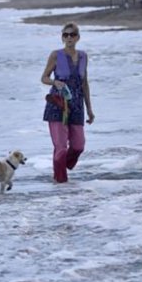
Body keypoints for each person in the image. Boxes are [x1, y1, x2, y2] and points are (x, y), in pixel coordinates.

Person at [41, 23, 94, 183]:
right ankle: (61, 184)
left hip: (77, 105)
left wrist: (90, 109)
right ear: (62, 37)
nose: (69, 38)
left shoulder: (84, 56)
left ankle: (62, 167)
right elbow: (44, 77)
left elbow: (84, 83)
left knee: (79, 145)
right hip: (58, 103)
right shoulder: (55, 55)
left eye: (72, 35)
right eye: (66, 35)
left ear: (78, 37)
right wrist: (54, 83)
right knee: (61, 147)